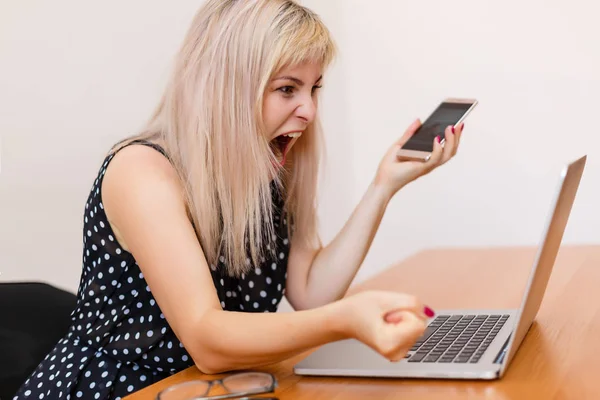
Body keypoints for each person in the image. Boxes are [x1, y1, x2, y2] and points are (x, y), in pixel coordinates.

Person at [13, 0, 465, 399]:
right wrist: (344, 319)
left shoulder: (269, 169)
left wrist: (383, 186)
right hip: (122, 388)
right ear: (224, 88)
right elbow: (208, 341)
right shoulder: (141, 172)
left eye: (315, 88)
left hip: (211, 387)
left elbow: (310, 292)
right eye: (288, 89)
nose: (308, 109)